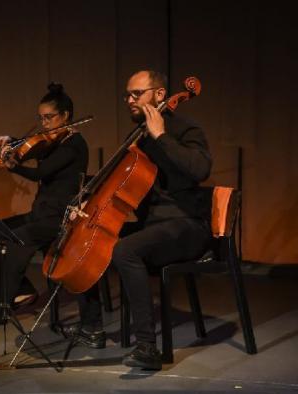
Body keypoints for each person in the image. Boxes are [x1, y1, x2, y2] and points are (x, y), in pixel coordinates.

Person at [71, 70, 212, 370]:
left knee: (125, 250)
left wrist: (161, 135)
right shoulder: (136, 138)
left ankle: (147, 347)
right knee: (88, 235)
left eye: (137, 94)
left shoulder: (186, 129)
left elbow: (200, 170)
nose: (130, 100)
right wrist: (87, 199)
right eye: (128, 95)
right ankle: (92, 326)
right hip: (154, 225)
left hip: (187, 224)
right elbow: (113, 182)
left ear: (160, 94)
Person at [0, 83, 96, 327]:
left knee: (15, 241)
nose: (44, 124)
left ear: (65, 116)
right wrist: (11, 142)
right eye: (41, 118)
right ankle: (22, 290)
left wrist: (14, 166)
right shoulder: (53, 141)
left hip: (59, 218)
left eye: (49, 117)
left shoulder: (74, 145)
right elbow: (33, 147)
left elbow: (40, 172)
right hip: (41, 213)